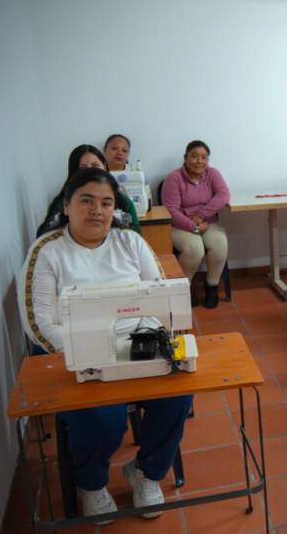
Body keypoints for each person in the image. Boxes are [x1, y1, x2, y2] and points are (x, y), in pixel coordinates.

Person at [19, 168, 192, 524]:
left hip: (137, 346)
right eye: (86, 200)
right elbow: (39, 324)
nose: (97, 210)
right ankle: (91, 484)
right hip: (77, 355)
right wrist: (88, 355)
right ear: (66, 206)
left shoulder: (130, 242)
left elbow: (161, 297)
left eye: (106, 203)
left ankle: (146, 473)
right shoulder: (48, 251)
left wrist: (149, 343)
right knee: (103, 417)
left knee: (178, 394)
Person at [161, 140, 230, 308]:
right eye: (194, 156)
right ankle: (185, 287)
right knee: (195, 249)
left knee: (220, 243)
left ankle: (212, 286)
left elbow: (224, 195)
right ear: (185, 158)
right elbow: (171, 210)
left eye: (204, 157)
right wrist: (194, 226)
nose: (199, 161)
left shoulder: (212, 174)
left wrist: (201, 215)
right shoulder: (174, 178)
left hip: (208, 222)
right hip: (180, 225)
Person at [36, 144, 140, 237]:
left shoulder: (124, 202)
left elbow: (136, 236)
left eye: (95, 166)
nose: (91, 172)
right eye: (83, 168)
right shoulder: (63, 202)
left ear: (104, 166)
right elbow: (43, 236)